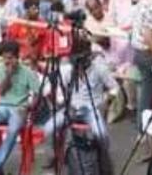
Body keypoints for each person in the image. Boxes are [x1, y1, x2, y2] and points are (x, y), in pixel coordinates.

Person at [40, 38, 120, 167]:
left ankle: (103, 157)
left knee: (101, 135)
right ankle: (55, 155)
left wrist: (106, 101)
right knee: (48, 129)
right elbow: (52, 87)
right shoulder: (68, 69)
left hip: (92, 108)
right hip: (71, 107)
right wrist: (57, 99)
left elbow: (115, 88)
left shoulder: (99, 68)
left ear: (88, 55)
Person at [0, 41, 40, 175]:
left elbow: (36, 94)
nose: (7, 61)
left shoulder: (27, 72)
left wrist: (29, 107)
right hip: (1, 106)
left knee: (13, 130)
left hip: (19, 108)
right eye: (5, 58)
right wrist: (9, 75)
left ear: (17, 57)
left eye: (10, 58)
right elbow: (1, 92)